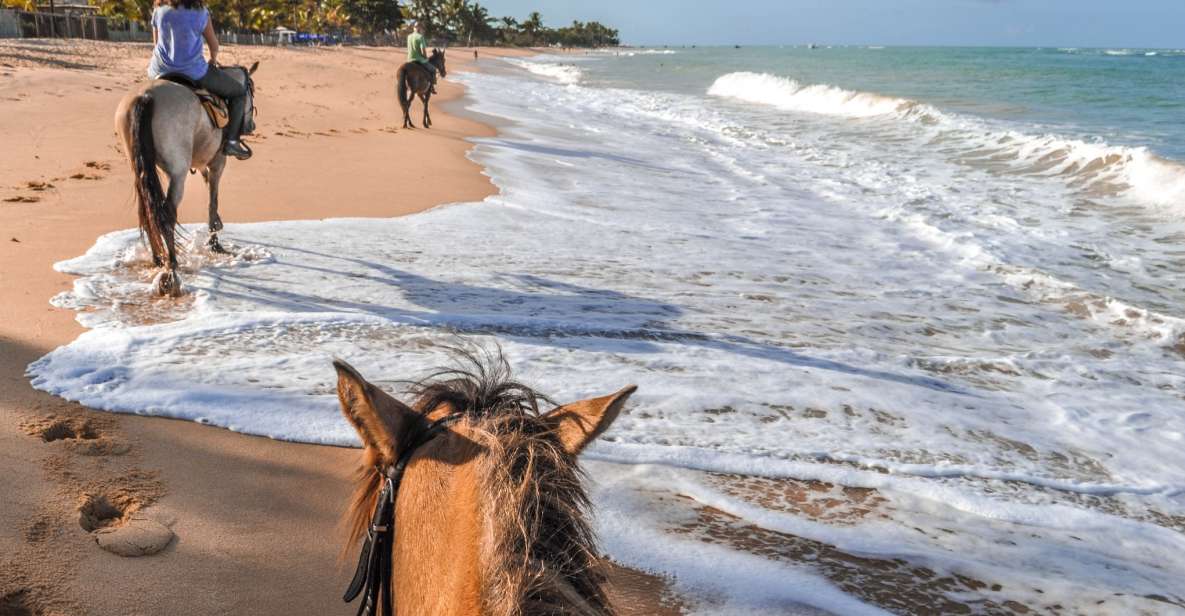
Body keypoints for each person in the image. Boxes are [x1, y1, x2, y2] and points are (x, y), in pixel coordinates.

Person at [147, 0, 252, 160]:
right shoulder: (200, 12)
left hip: (158, 71)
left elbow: (156, 45)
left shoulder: (158, 9)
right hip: (193, 72)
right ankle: (232, 141)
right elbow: (214, 45)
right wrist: (213, 59)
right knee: (238, 92)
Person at [407, 21, 437, 94]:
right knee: (433, 69)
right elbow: (423, 51)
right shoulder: (420, 37)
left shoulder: (409, 36)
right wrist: (425, 58)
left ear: (414, 28)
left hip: (409, 59)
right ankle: (432, 87)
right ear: (420, 28)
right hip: (419, 60)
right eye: (420, 28)